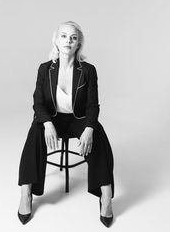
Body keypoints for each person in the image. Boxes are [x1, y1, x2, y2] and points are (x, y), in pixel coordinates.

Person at [17, 21, 115, 227]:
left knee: (97, 132)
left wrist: (88, 129)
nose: (68, 41)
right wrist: (47, 124)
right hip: (52, 118)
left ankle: (106, 195)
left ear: (79, 43)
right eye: (63, 36)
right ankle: (26, 192)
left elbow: (92, 106)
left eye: (73, 37)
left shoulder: (88, 70)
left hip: (77, 119)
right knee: (35, 131)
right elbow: (38, 102)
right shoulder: (45, 69)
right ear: (56, 40)